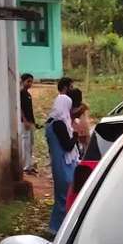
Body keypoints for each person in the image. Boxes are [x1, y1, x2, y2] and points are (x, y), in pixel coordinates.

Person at [45, 93, 79, 234]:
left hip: (57, 162)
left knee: (61, 196)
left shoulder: (50, 122)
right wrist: (75, 135)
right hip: (64, 163)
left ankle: (55, 227)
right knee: (66, 196)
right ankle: (60, 229)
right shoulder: (59, 124)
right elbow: (68, 146)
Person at [19, 73, 37, 175]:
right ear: (23, 81)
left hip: (31, 122)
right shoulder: (21, 93)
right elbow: (21, 109)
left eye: (31, 82)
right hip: (24, 122)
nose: (30, 84)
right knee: (25, 144)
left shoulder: (28, 94)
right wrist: (24, 120)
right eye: (28, 81)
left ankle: (29, 165)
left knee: (30, 144)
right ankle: (25, 166)